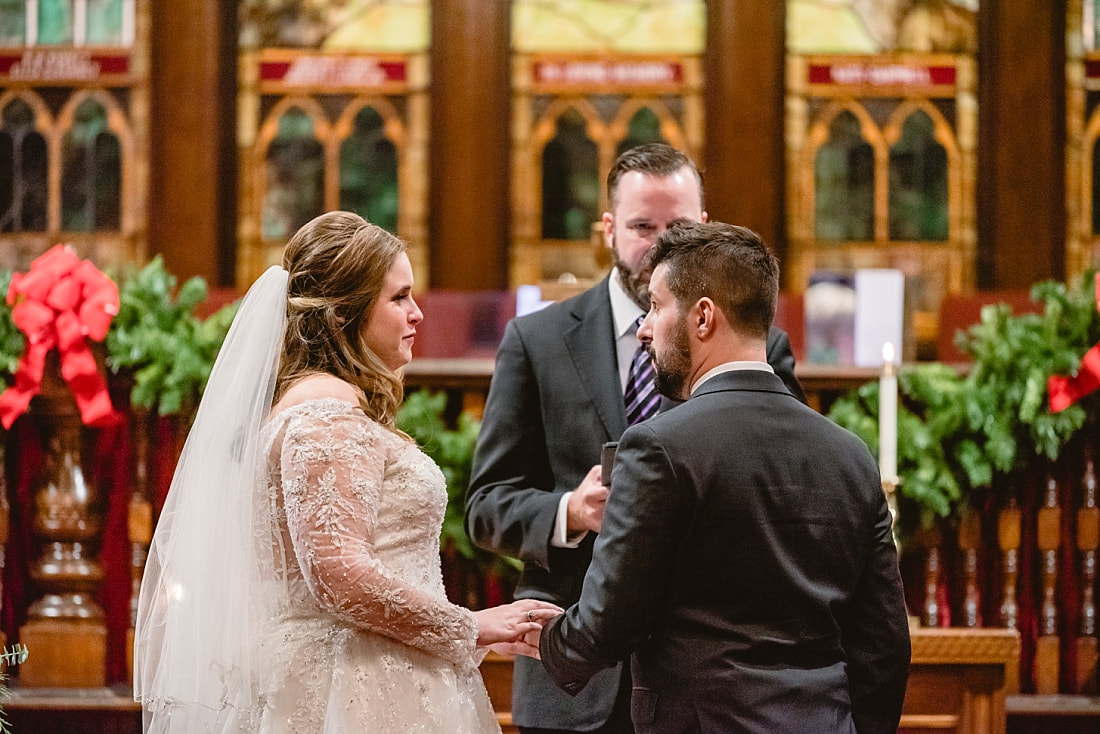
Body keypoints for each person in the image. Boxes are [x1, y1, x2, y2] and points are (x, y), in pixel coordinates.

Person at [134, 211, 561, 733]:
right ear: (343, 315)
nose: (417, 314)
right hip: (355, 687)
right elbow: (340, 579)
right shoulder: (324, 417)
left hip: (375, 671)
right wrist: (470, 625)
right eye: (399, 297)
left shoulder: (319, 407)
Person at [465, 143, 806, 734]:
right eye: (642, 226)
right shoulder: (537, 341)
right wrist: (571, 510)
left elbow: (781, 491)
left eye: (676, 227)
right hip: (571, 679)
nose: (659, 245)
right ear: (608, 228)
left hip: (705, 677)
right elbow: (485, 506)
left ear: (705, 226)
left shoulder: (757, 346)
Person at [535, 221, 911, 734]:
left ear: (703, 316)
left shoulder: (658, 446)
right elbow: (884, 645)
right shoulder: (850, 455)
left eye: (656, 306)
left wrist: (547, 640)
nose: (644, 327)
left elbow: (609, 621)